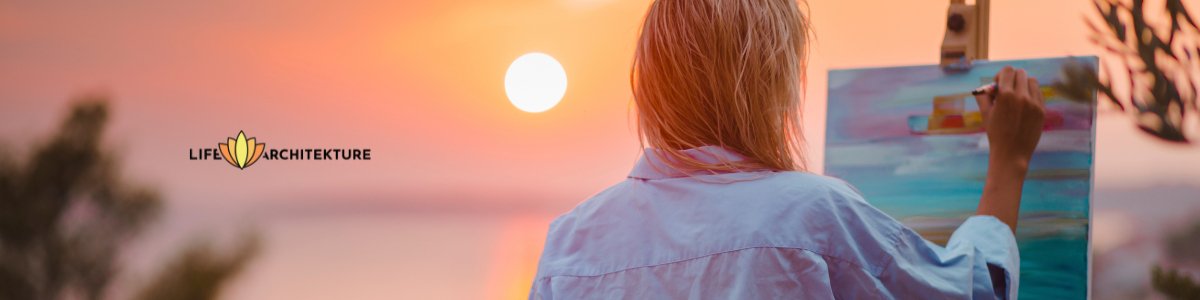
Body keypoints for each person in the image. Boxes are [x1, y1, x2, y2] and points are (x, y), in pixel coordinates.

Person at [529, 0, 1045, 298]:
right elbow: (977, 290)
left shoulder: (570, 245)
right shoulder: (812, 217)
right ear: (769, 80)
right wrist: (1010, 161)